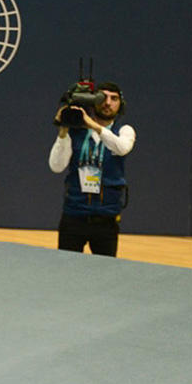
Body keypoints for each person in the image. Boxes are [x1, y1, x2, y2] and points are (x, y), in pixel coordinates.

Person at [50, 83, 135, 256]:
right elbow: (56, 166)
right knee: (67, 270)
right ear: (92, 101)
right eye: (102, 97)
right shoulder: (75, 132)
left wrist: (90, 124)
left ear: (121, 104)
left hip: (106, 219)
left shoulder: (124, 131)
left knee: (105, 274)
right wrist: (63, 130)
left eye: (114, 98)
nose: (108, 103)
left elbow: (121, 148)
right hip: (74, 215)